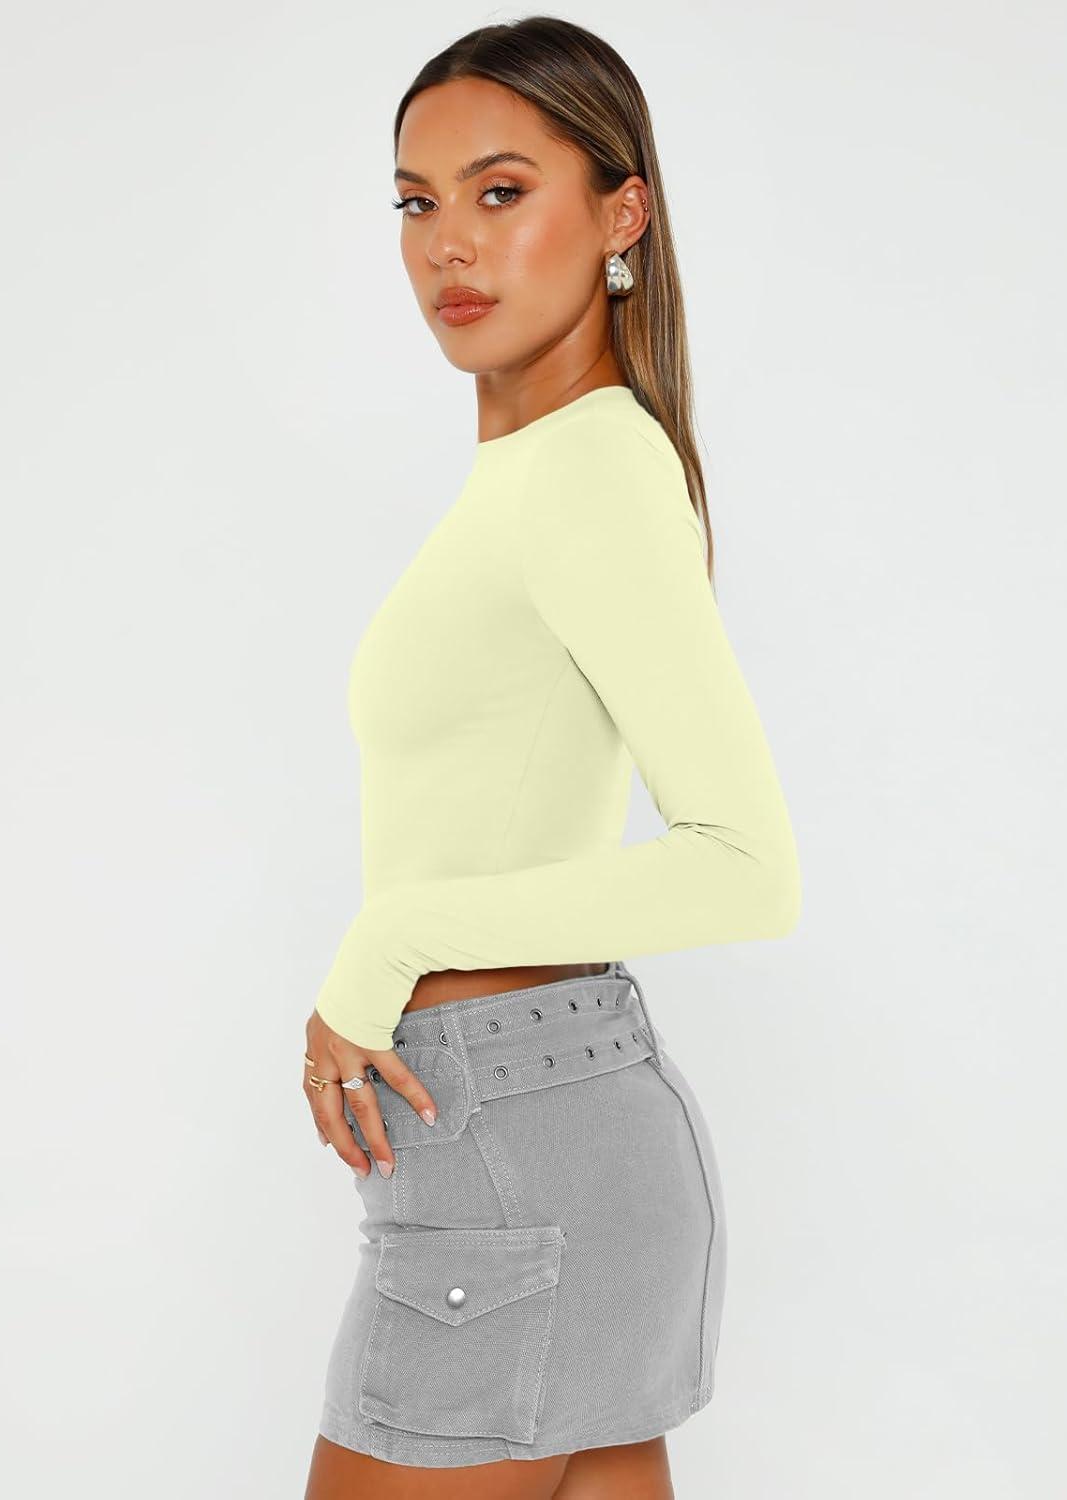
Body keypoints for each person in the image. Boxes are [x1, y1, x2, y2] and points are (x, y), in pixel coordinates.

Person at [302, 17, 800, 1499]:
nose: (449, 245)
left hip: (509, 1151)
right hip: (541, 1142)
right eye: (417, 201)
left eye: (502, 192)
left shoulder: (589, 469)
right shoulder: (545, 472)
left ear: (621, 213)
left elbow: (745, 866)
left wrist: (390, 939)